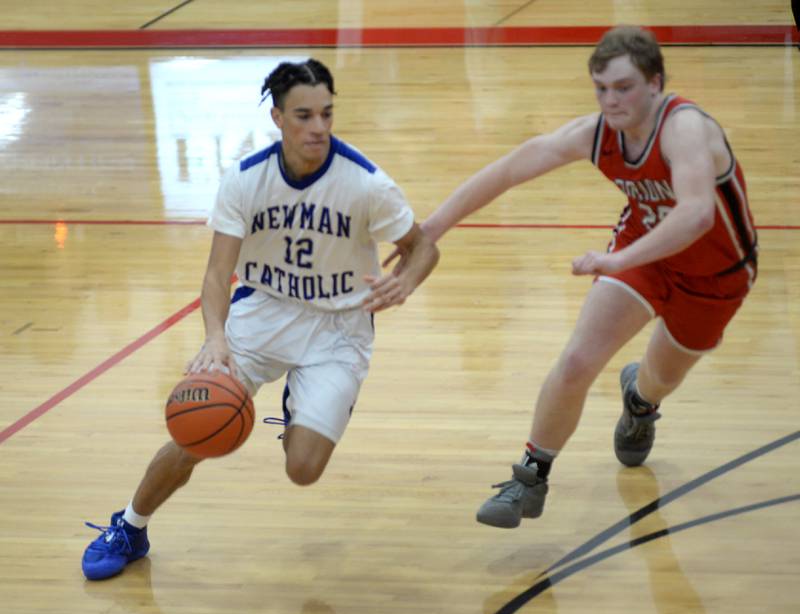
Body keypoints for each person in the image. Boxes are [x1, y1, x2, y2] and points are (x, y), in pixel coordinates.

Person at [81, 58, 439, 579]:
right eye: (303, 116)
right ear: (277, 118)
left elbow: (422, 245)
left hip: (338, 328)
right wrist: (214, 340)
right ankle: (130, 527)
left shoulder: (365, 182)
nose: (318, 127)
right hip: (262, 313)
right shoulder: (246, 179)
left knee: (303, 470)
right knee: (194, 430)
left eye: (326, 114)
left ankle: (302, 399)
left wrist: (406, 281)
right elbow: (215, 275)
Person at [410, 25, 757, 528]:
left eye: (623, 88)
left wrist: (616, 260)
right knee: (577, 359)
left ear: (656, 84)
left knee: (662, 377)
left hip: (716, 273)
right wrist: (431, 229)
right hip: (643, 254)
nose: (610, 101)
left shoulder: (685, 128)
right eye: (601, 89)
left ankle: (640, 401)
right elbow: (510, 168)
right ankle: (530, 477)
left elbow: (697, 214)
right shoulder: (595, 133)